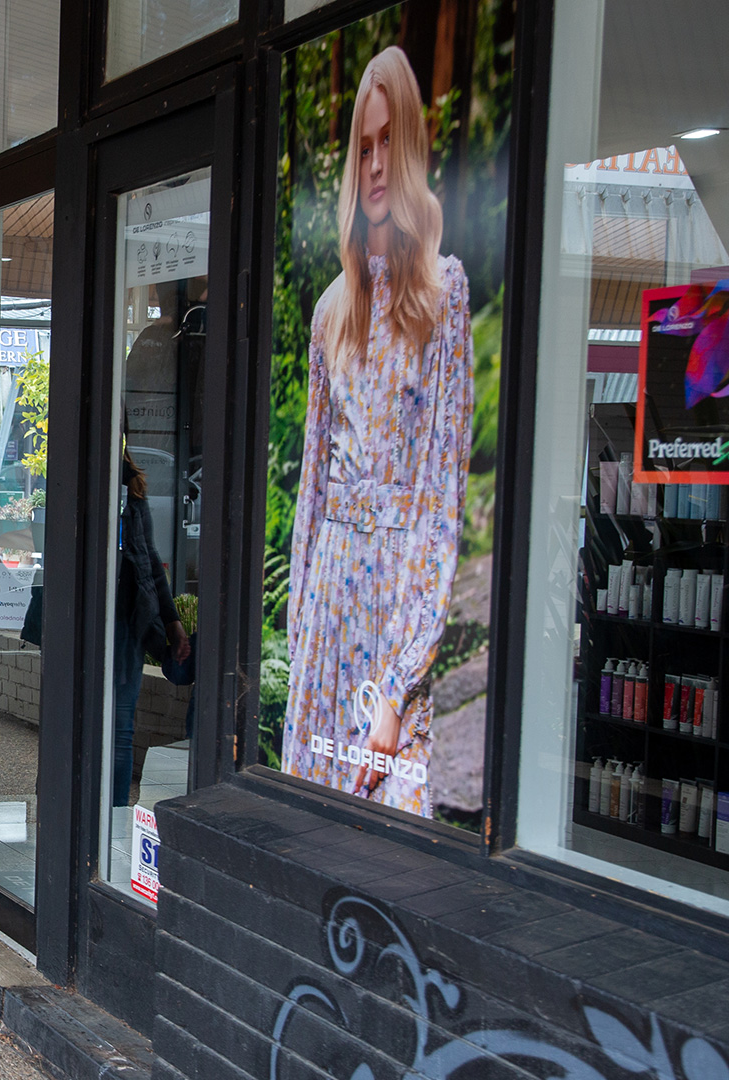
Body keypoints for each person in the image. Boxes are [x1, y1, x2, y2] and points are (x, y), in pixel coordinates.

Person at [281, 46, 473, 817]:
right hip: (329, 599)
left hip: (396, 602)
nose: (375, 164)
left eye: (388, 141)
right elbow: (310, 491)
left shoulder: (442, 293)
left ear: (413, 147)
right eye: (363, 146)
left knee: (388, 826)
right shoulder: (333, 310)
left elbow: (440, 501)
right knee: (311, 823)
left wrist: (396, 686)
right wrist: (300, 642)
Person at [113, 444, 189, 807]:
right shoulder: (73, 475)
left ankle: (112, 816)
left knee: (120, 728)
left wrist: (172, 621)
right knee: (79, 724)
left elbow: (150, 559)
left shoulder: (131, 489)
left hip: (127, 621)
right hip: (82, 622)